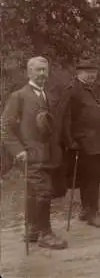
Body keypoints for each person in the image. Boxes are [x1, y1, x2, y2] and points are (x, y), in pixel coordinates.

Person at [1, 56, 68, 249]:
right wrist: (18, 151)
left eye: (44, 70)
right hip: (29, 155)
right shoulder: (19, 96)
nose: (42, 74)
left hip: (45, 155)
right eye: (38, 70)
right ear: (29, 72)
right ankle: (45, 235)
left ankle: (32, 230)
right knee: (43, 191)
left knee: (34, 193)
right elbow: (5, 128)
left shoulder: (46, 95)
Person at [63, 59, 100, 227]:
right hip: (84, 144)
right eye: (88, 72)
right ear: (78, 73)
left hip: (95, 144)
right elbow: (66, 119)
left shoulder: (89, 90)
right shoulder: (73, 91)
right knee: (91, 178)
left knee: (93, 177)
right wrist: (70, 142)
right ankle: (93, 213)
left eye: (94, 71)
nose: (92, 75)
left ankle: (87, 210)